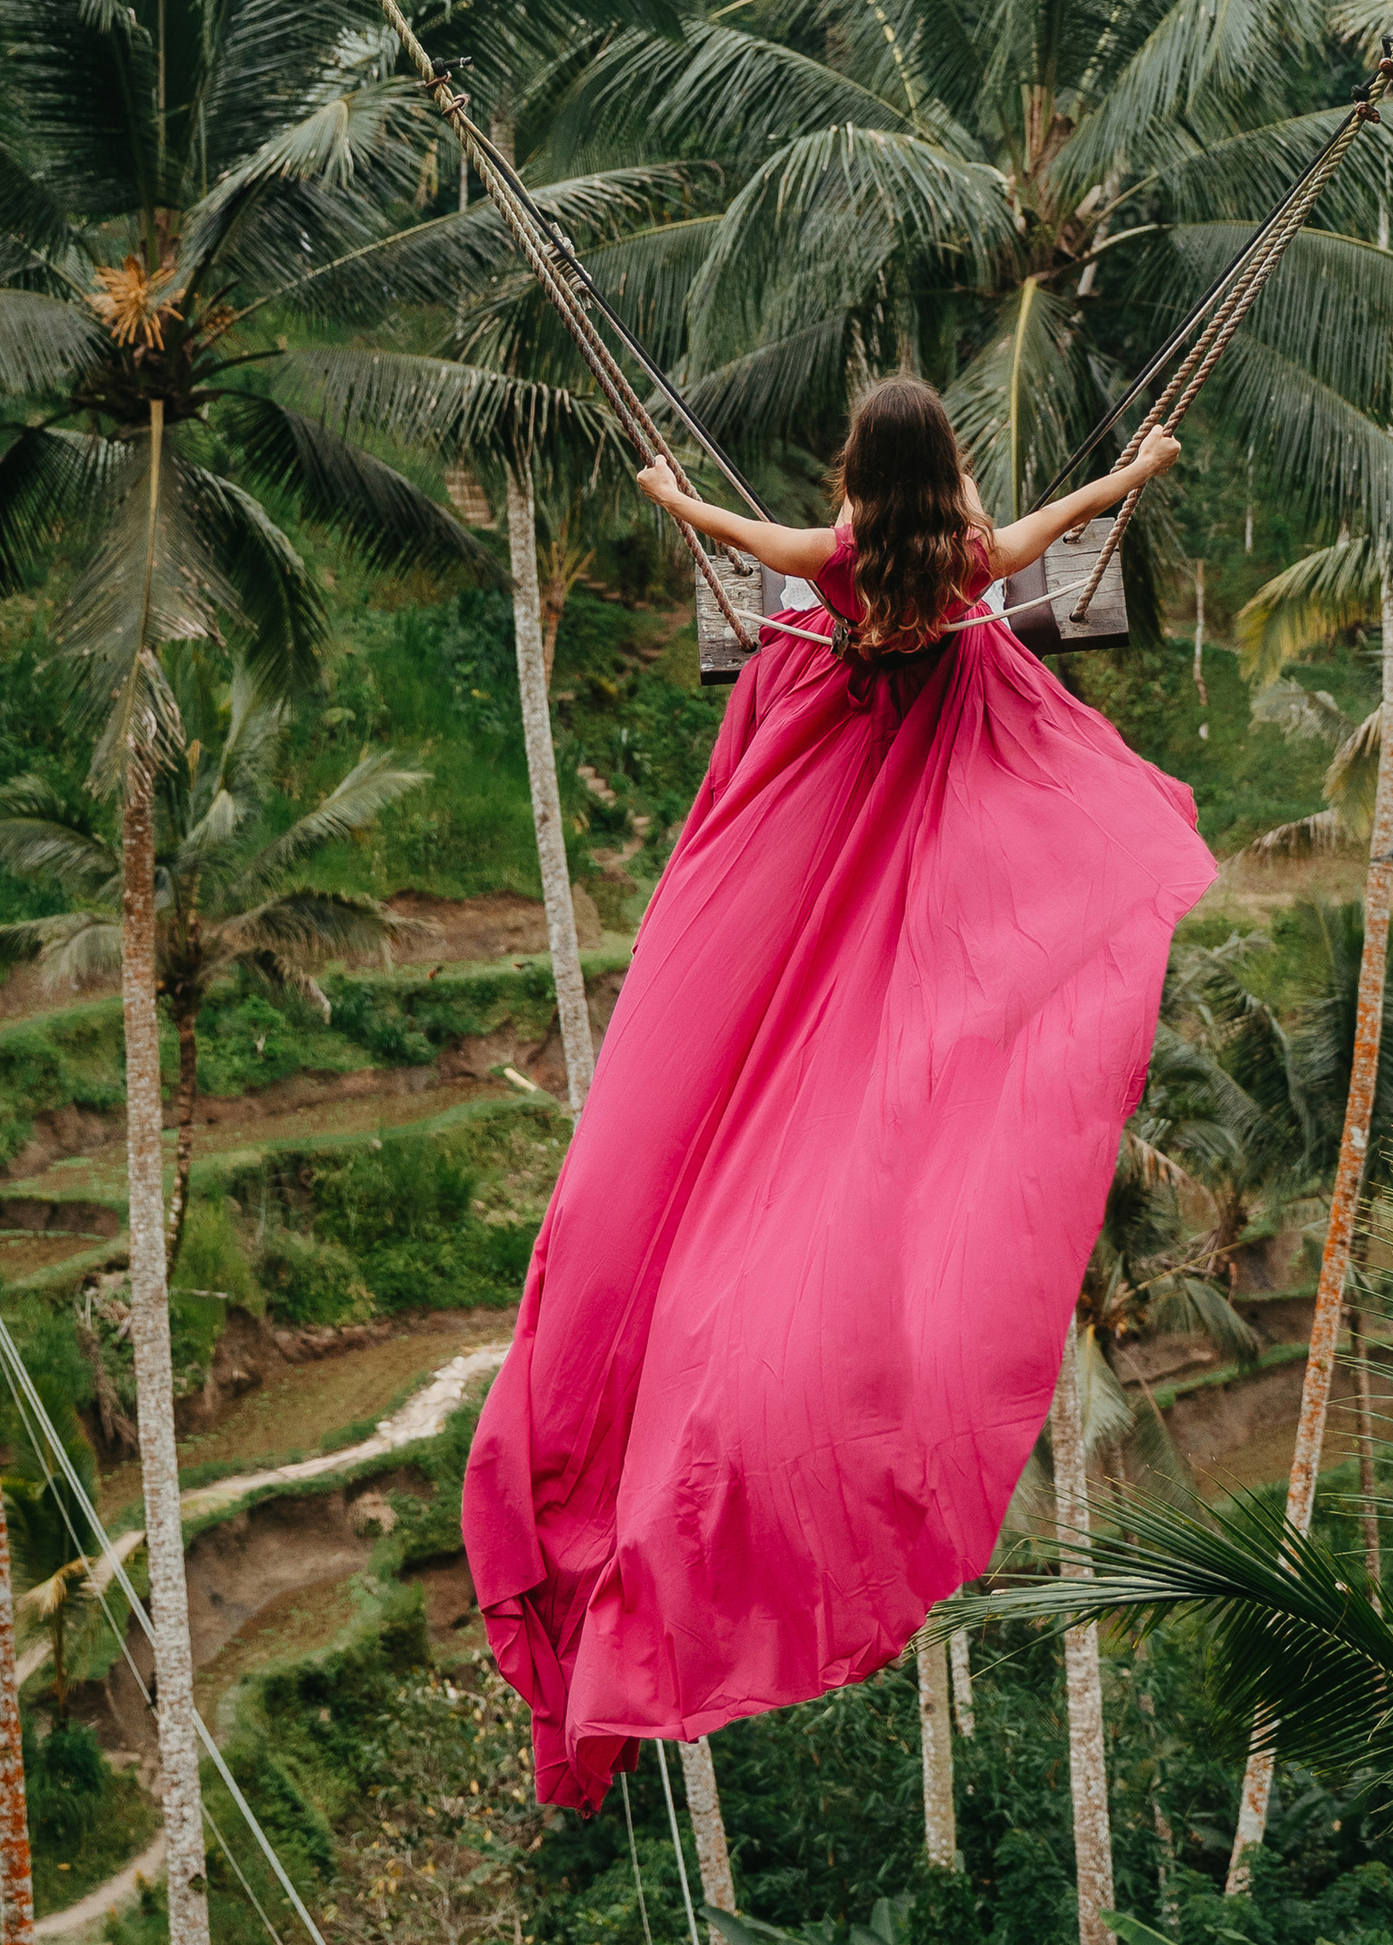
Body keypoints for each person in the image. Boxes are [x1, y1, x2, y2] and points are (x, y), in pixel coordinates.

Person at [463, 378, 1216, 1811]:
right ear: (947, 467)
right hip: (933, 770)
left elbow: (731, 528)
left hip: (833, 773)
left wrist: (664, 492)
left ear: (860, 468)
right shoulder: (966, 562)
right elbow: (1065, 523)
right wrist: (1141, 466)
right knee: (893, 1018)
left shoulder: (841, 558)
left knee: (767, 1022)